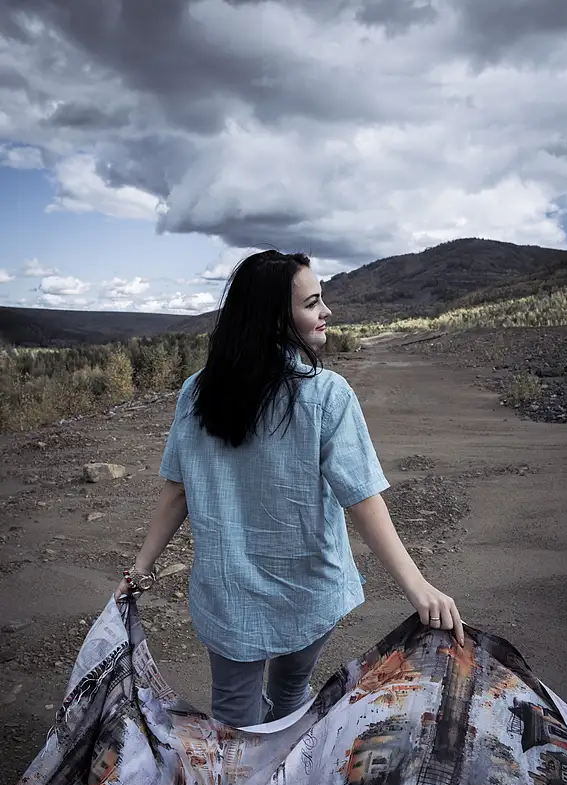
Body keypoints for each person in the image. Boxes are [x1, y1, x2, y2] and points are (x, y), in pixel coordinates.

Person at [114, 250, 464, 728]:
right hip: (308, 589)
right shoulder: (326, 394)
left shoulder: (198, 391)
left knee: (235, 720)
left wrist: (140, 569)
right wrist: (418, 588)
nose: (326, 312)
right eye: (312, 303)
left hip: (229, 596)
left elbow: (177, 490)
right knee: (292, 694)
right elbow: (362, 499)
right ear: (275, 318)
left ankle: (255, 773)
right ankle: (288, 767)